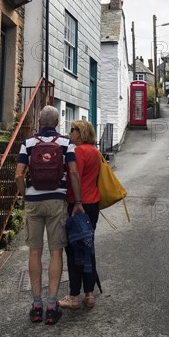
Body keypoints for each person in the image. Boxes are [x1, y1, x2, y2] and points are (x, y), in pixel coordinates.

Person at [15, 105, 84, 325]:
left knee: (35, 252)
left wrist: (24, 194)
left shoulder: (28, 143)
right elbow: (73, 172)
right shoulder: (66, 143)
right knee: (56, 252)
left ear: (39, 123)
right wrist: (78, 201)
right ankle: (52, 307)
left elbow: (18, 174)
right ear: (56, 123)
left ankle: (37, 306)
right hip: (57, 201)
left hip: (34, 201)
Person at [58, 120, 101, 311]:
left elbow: (75, 177)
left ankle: (74, 296)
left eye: (73, 130)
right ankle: (89, 294)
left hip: (79, 206)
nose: (70, 133)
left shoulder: (79, 151)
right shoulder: (95, 151)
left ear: (81, 132)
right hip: (93, 204)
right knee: (88, 247)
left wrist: (76, 203)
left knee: (74, 250)